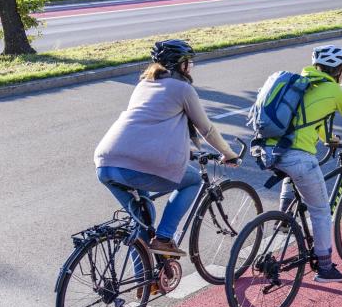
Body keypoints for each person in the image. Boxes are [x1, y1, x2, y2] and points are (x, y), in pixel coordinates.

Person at [95, 39, 239, 257]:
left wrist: (184, 150)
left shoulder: (144, 84)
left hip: (106, 162)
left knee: (143, 223)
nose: (190, 67)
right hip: (140, 163)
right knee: (193, 180)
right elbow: (206, 129)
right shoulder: (183, 89)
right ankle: (164, 238)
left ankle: (145, 284)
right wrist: (229, 154)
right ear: (179, 64)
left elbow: (150, 126)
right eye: (188, 62)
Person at [270, 45, 342, 283]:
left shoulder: (301, 83)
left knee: (291, 172)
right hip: (298, 155)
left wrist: (328, 139)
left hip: (271, 149)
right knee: (321, 211)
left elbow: (307, 120)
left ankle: (283, 217)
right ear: (339, 71)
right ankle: (324, 268)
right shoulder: (335, 91)